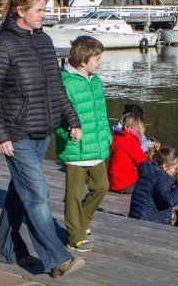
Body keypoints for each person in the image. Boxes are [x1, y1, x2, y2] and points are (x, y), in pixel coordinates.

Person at [0, 0, 85, 278]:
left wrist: (72, 119)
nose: (45, 15)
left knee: (21, 192)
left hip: (43, 130)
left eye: (45, 9)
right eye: (40, 10)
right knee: (38, 195)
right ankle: (57, 258)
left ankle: (3, 249)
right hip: (16, 133)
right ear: (21, 12)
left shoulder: (44, 40)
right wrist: (1, 135)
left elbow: (56, 86)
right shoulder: (2, 44)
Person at [55, 35, 112, 253]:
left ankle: (82, 221)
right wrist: (67, 133)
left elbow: (102, 114)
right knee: (73, 195)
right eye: (97, 58)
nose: (100, 62)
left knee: (102, 186)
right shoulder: (65, 84)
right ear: (83, 60)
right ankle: (75, 235)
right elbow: (55, 119)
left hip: (97, 146)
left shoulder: (95, 81)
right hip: (75, 149)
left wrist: (107, 137)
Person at [128, 147, 178, 225]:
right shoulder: (161, 178)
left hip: (138, 217)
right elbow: (170, 200)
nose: (177, 171)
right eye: (175, 168)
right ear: (164, 165)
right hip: (151, 223)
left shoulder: (149, 172)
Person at [108, 112, 149, 194]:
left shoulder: (118, 137)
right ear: (129, 127)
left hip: (113, 182)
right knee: (151, 181)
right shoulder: (129, 141)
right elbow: (143, 161)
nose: (141, 132)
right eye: (139, 129)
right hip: (124, 185)